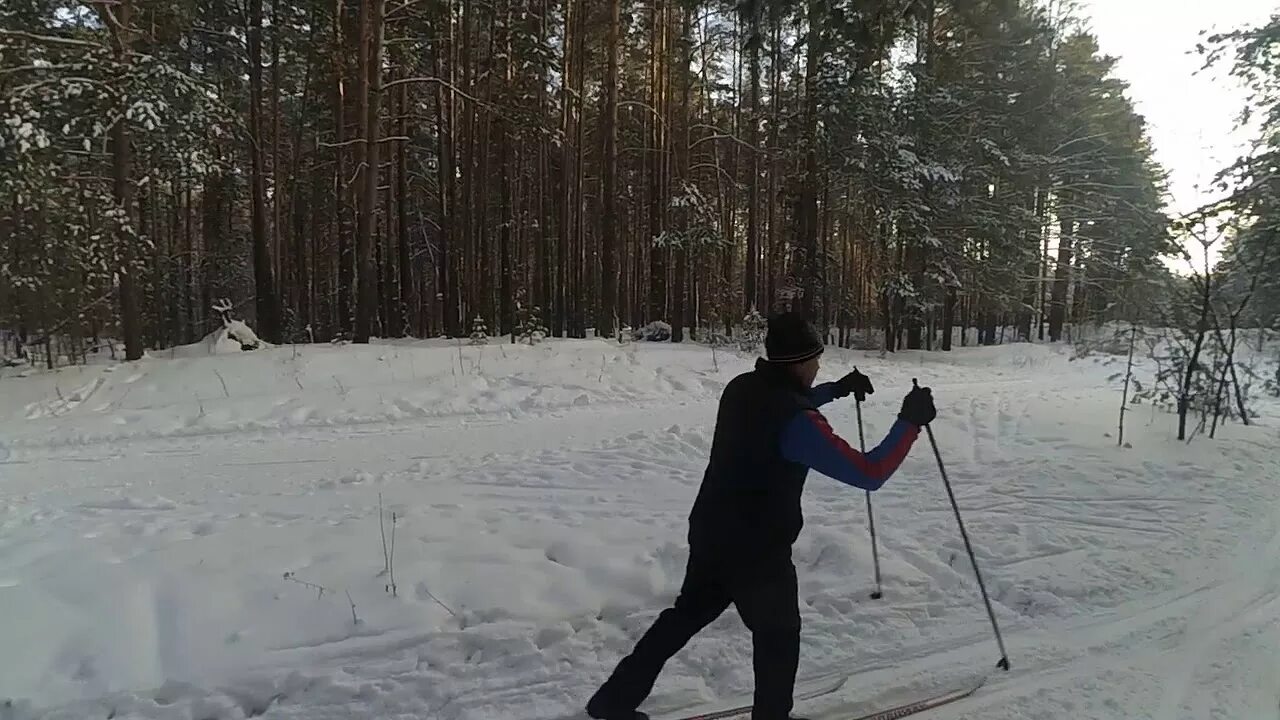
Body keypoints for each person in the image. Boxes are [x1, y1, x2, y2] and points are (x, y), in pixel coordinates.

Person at [585, 311, 937, 720]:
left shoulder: (742, 388)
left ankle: (612, 702)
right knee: (778, 637)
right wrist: (909, 423)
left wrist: (835, 390)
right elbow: (868, 473)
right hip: (758, 550)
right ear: (800, 363)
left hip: (711, 531)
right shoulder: (798, 423)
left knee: (685, 617)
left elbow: (784, 399)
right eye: (815, 359)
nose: (819, 365)